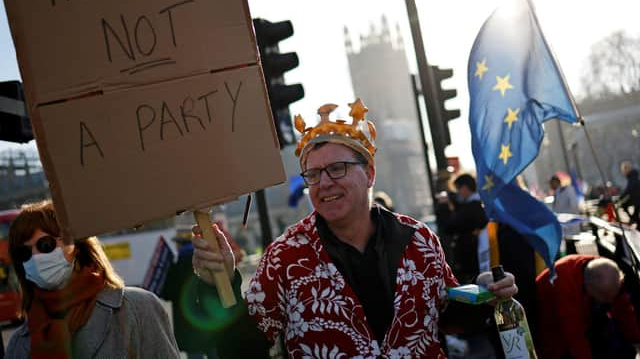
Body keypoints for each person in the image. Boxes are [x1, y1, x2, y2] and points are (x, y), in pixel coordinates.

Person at [190, 99, 518, 358]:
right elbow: (242, 347)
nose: (324, 183)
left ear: (370, 173)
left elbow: (448, 316)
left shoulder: (418, 240)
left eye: (337, 168)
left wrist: (485, 292)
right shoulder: (285, 256)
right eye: (313, 174)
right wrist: (217, 282)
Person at [6, 200, 180, 359]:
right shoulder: (19, 343)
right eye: (24, 253)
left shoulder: (138, 307)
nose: (35, 258)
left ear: (75, 246)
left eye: (45, 245)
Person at [535, 254, 640, 359]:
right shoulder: (562, 285)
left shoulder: (607, 271)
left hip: (581, 317)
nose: (611, 301)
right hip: (550, 329)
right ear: (590, 289)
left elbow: (623, 308)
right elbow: (574, 337)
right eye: (605, 297)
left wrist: (637, 340)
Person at [161, 229, 219, 359]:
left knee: (194, 355)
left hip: (187, 324)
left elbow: (166, 294)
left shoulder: (175, 267)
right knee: (214, 353)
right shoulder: (205, 262)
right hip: (209, 321)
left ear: (180, 244)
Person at [435, 173, 489, 284]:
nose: (458, 192)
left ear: (464, 188)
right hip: (474, 258)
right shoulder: (476, 205)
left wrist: (444, 207)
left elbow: (449, 227)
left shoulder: (470, 208)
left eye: (458, 189)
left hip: (469, 260)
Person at [619, 161, 640, 227]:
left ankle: (635, 222)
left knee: (624, 205)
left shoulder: (633, 176)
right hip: (636, 200)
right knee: (624, 205)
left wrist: (621, 198)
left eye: (624, 169)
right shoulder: (632, 176)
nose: (623, 172)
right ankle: (635, 222)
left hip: (637, 200)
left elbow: (629, 190)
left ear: (628, 168)